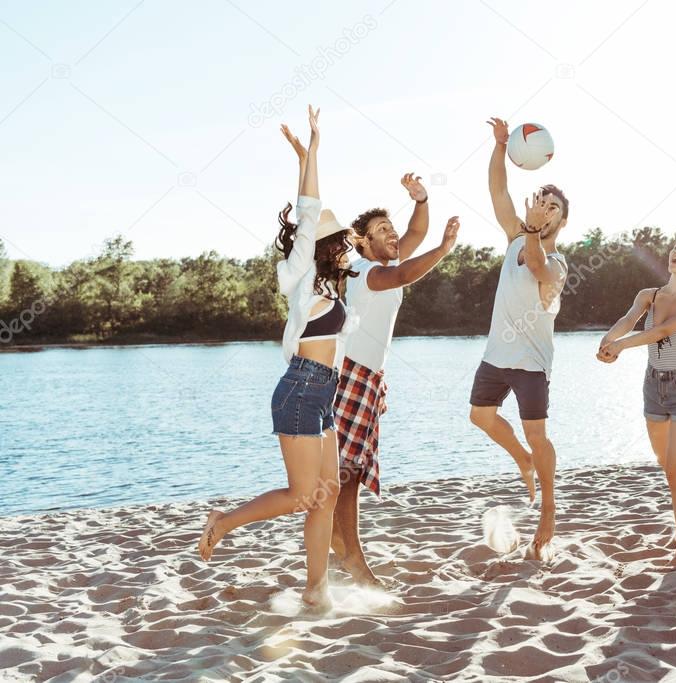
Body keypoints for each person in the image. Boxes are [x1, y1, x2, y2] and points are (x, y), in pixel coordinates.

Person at [197, 106, 360, 608]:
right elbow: (308, 212)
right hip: (300, 390)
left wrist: (306, 154)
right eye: (342, 244)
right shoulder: (299, 277)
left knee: (327, 492)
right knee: (301, 495)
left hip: (323, 395)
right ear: (325, 248)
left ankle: (316, 590)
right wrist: (312, 148)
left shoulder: (330, 292)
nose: (347, 249)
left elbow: (313, 212)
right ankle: (223, 522)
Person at [330, 175, 461, 587]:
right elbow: (404, 275)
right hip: (350, 375)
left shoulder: (381, 263)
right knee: (346, 471)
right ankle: (349, 553)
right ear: (363, 244)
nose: (392, 235)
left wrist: (421, 199)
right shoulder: (365, 272)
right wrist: (444, 249)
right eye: (381, 231)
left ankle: (342, 543)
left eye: (391, 229)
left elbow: (417, 230)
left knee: (348, 470)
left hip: (368, 376)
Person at [468, 116, 569, 557]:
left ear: (560, 222)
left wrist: (531, 229)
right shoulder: (515, 235)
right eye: (541, 200)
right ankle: (522, 462)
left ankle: (549, 506)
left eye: (553, 208)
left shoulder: (558, 261)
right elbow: (497, 190)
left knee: (537, 435)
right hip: (496, 354)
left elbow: (538, 265)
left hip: (530, 364)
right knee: (480, 416)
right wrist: (499, 145)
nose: (543, 209)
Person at [596, 234, 676, 567]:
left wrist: (622, 347)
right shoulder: (648, 295)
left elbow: (662, 333)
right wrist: (608, 341)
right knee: (668, 467)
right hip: (653, 385)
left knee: (674, 471)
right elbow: (628, 320)